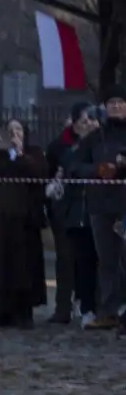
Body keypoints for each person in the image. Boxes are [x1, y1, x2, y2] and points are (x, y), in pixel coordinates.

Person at [0, 119, 46, 327]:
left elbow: (38, 173)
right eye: (10, 131)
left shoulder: (34, 153)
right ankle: (0, 311)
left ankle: (23, 312)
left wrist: (19, 154)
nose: (14, 134)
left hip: (24, 223)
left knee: (23, 269)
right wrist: (2, 151)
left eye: (18, 130)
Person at [50, 102, 102, 324]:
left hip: (103, 210)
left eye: (92, 120)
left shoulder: (105, 144)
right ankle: (82, 305)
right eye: (83, 121)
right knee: (79, 262)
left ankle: (105, 307)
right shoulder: (68, 149)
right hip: (75, 213)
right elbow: (68, 170)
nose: (88, 124)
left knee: (106, 262)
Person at [81, 93, 126, 332]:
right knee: (107, 261)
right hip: (100, 206)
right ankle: (109, 311)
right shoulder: (95, 137)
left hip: (125, 204)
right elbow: (75, 164)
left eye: (120, 102)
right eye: (112, 103)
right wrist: (98, 170)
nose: (116, 107)